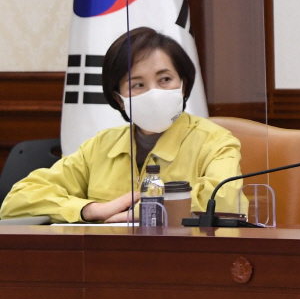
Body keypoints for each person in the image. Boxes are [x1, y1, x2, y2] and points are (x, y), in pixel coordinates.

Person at [1, 27, 244, 223]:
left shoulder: (216, 142)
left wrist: (144, 212)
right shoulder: (100, 146)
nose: (154, 92)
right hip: (106, 265)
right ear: (119, 99)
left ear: (183, 84)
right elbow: (18, 200)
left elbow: (224, 202)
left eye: (165, 79)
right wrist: (91, 209)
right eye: (138, 84)